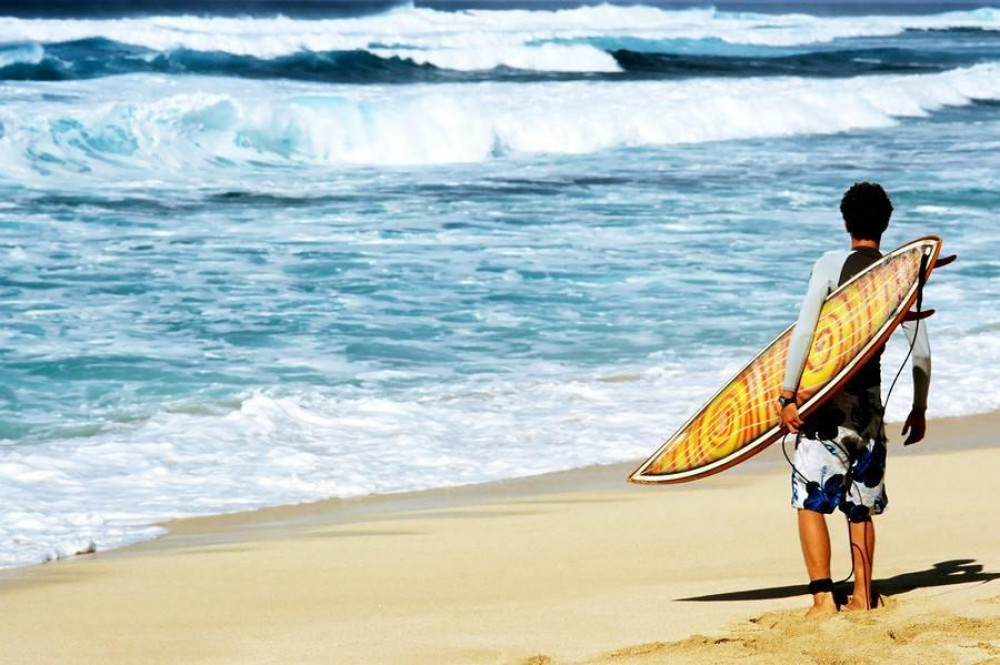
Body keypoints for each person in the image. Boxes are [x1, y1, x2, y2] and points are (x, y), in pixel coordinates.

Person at [778, 182, 931, 617]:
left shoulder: (830, 264)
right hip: (868, 403)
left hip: (826, 402)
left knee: (811, 499)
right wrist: (919, 407)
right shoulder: (898, 274)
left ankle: (824, 598)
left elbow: (805, 330)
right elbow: (920, 349)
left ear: (846, 222)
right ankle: (864, 595)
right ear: (885, 224)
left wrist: (788, 393)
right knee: (861, 504)